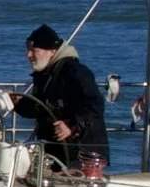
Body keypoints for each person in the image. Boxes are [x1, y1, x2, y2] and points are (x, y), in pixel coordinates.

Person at [12, 23, 110, 177]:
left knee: (73, 186)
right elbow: (40, 107)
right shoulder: (45, 74)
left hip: (80, 152)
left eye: (34, 50)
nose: (28, 55)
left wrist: (71, 125)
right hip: (55, 150)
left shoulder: (75, 71)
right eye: (28, 50)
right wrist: (17, 103)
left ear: (52, 51)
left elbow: (94, 106)